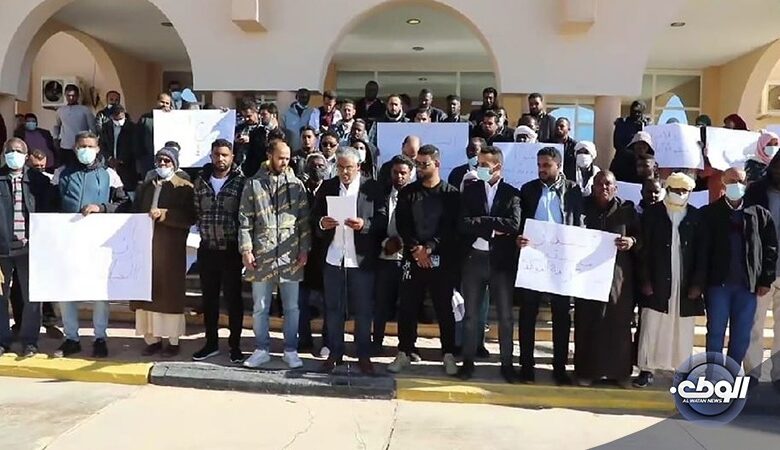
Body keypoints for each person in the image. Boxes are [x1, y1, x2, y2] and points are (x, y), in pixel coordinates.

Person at [54, 131, 129, 358]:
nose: (85, 150)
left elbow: (124, 203)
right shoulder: (61, 173)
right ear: (75, 148)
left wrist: (102, 208)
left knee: (99, 292)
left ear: (97, 149)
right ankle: (71, 338)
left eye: (90, 146)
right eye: (81, 146)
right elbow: (49, 204)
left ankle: (100, 338)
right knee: (66, 290)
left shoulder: (109, 175)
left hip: (98, 243)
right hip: (67, 240)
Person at [312, 147, 386, 374]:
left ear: (358, 167)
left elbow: (382, 218)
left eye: (349, 168)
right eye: (341, 167)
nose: (344, 172)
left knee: (363, 311)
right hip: (334, 257)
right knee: (333, 309)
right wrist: (323, 223)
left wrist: (365, 224)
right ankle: (335, 353)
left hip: (360, 259)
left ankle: (363, 355)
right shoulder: (328, 187)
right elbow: (314, 216)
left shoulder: (372, 188)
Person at [387, 144, 460, 376]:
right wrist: (416, 249)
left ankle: (448, 354)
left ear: (436, 164)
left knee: (444, 309)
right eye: (417, 164)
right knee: (407, 307)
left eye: (423, 164)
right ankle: (404, 351)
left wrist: (430, 247)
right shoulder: (408, 192)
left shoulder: (451, 194)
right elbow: (403, 224)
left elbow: (451, 228)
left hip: (442, 260)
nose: (418, 168)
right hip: (413, 258)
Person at [239, 140, 310, 369]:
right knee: (260, 306)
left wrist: (304, 249)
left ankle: (290, 350)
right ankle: (261, 349)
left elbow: (304, 221)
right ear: (269, 155)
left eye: (288, 158)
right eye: (281, 157)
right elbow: (245, 220)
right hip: (262, 253)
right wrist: (246, 249)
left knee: (292, 307)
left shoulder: (297, 185)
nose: (285, 162)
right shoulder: (254, 184)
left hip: (290, 255)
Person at [516, 146, 583, 385]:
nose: (541, 169)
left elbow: (579, 221)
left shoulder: (573, 190)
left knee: (561, 315)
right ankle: (526, 366)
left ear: (559, 166)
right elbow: (519, 221)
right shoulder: (528, 190)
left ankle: (559, 368)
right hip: (533, 259)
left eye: (546, 165)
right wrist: (519, 237)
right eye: (539, 165)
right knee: (528, 313)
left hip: (561, 260)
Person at [699, 168, 776, 374]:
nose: (737, 185)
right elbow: (701, 251)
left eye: (740, 181)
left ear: (747, 183)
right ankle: (713, 374)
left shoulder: (759, 214)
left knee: (742, 335)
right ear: (723, 182)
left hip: (747, 286)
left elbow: (770, 249)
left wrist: (765, 280)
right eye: (732, 181)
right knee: (715, 333)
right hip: (718, 286)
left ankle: (732, 374)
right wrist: (699, 282)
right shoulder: (709, 213)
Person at [456, 146, 521, 383]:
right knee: (471, 315)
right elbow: (463, 223)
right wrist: (493, 226)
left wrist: (482, 223)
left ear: (497, 167)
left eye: (485, 165)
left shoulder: (512, 193)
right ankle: (468, 362)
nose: (480, 168)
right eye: (479, 164)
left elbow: (513, 224)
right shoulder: (470, 190)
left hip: (501, 262)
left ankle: (507, 364)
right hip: (474, 259)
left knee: (505, 317)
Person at [634, 172, 704, 388]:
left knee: (682, 328)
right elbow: (642, 250)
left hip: (684, 283)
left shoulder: (695, 216)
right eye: (675, 190)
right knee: (652, 325)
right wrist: (645, 279)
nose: (680, 194)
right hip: (657, 280)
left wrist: (697, 284)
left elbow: (703, 254)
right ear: (668, 190)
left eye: (684, 191)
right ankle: (646, 369)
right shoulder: (653, 214)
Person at [575, 171, 641, 387]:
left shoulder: (626, 211)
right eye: (599, 184)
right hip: (587, 275)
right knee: (588, 320)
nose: (603, 187)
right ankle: (586, 372)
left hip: (618, 277)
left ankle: (620, 373)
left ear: (615, 188)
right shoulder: (581, 208)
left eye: (608, 184)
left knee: (618, 322)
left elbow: (642, 238)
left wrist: (631, 241)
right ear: (593, 187)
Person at [131, 146, 196, 358]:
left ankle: (173, 341)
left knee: (169, 296)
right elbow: (134, 211)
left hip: (170, 250)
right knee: (147, 296)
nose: (162, 164)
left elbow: (190, 217)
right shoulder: (146, 186)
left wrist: (164, 214)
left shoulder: (184, 187)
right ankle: (153, 340)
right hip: (146, 249)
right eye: (159, 160)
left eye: (167, 161)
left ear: (175, 164)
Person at [191, 139, 246, 363]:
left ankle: (235, 346)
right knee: (209, 299)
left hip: (231, 249)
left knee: (233, 300)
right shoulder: (200, 181)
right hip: (207, 249)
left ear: (232, 157)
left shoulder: (241, 182)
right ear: (211, 156)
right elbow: (196, 211)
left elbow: (244, 215)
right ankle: (211, 343)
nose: (220, 158)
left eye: (225, 155)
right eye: (216, 154)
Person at [0, 138, 55, 357]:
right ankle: (2, 340)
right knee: (0, 296)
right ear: (4, 154)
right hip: (2, 250)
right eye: (10, 151)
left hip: (30, 248)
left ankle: (30, 341)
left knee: (32, 297)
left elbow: (50, 210)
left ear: (26, 155)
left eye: (18, 151)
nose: (13, 154)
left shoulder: (38, 180)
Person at [744, 155, 780, 391]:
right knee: (754, 325)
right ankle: (752, 373)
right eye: (777, 167)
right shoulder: (756, 192)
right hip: (760, 272)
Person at [372, 155, 414, 354]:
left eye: (403, 173)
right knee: (381, 304)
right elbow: (372, 225)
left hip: (408, 258)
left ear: (410, 174)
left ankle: (407, 348)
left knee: (408, 306)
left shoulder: (417, 196)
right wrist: (385, 244)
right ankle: (376, 343)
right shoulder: (380, 195)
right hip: (384, 258)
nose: (399, 177)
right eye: (396, 172)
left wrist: (402, 243)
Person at [298, 154, 330, 356]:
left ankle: (328, 341)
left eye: (320, 165)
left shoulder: (331, 190)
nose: (316, 169)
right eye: (313, 165)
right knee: (300, 302)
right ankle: (304, 340)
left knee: (329, 304)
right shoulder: (299, 189)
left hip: (325, 253)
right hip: (303, 254)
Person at [53, 85, 97, 166]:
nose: (71, 98)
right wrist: (55, 139)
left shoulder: (85, 110)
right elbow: (57, 126)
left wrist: (94, 143)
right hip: (65, 147)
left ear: (77, 96)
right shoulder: (60, 110)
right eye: (68, 95)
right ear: (65, 95)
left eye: (73, 95)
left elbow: (93, 128)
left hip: (81, 147)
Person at [98, 104, 138, 192]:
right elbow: (102, 144)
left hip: (127, 166)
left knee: (128, 189)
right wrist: (109, 158)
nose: (119, 122)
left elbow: (134, 147)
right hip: (110, 164)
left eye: (121, 119)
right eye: (116, 119)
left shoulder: (132, 128)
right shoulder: (106, 127)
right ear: (111, 117)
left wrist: (122, 160)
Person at [137, 93, 172, 175]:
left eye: (167, 103)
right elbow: (137, 138)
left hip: (168, 160)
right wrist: (141, 156)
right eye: (162, 102)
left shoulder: (174, 118)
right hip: (149, 160)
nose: (164, 105)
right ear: (157, 102)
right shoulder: (145, 119)